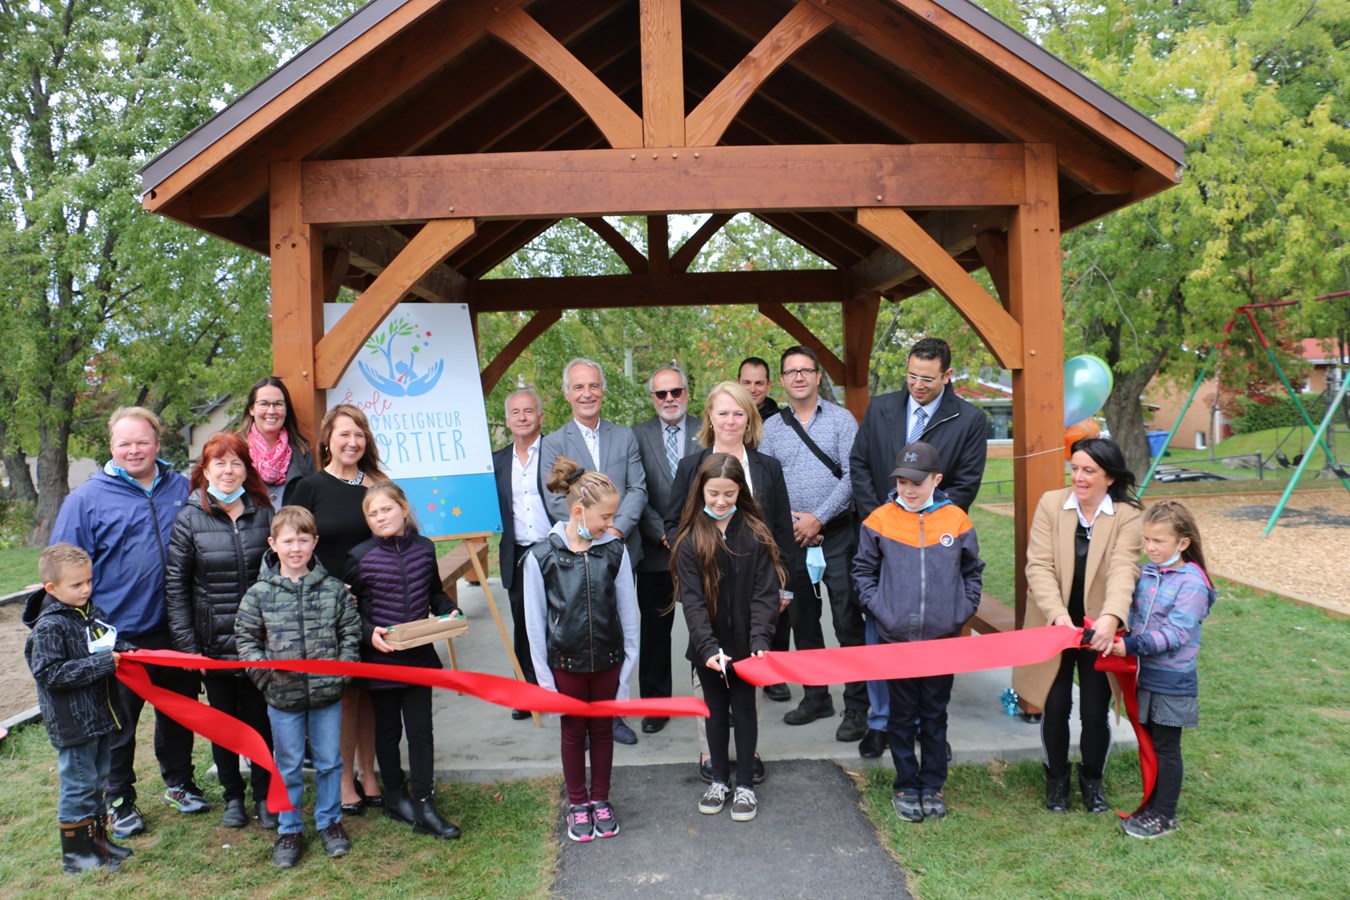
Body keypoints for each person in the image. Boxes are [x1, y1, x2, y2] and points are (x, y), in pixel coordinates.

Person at [49, 406, 198, 839]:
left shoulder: (182, 488)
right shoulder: (86, 500)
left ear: (158, 442)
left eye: (142, 441)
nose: (134, 450)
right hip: (115, 636)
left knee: (178, 712)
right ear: (111, 447)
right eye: (124, 443)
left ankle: (180, 782)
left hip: (175, 628)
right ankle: (120, 800)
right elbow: (63, 567)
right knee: (118, 724)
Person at [849, 337, 989, 758]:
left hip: (935, 548)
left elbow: (965, 482)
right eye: (911, 375)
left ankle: (928, 727)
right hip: (884, 541)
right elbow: (859, 465)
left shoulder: (969, 419)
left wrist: (924, 524)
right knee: (880, 635)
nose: (917, 385)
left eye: (927, 378)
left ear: (947, 375)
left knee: (930, 650)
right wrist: (886, 521)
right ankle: (882, 722)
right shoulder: (882, 408)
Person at [664, 381, 796, 782]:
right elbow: (673, 521)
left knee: (749, 669)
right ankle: (710, 753)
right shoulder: (691, 467)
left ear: (750, 418)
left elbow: (781, 533)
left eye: (739, 413)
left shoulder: (767, 467)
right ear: (710, 417)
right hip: (704, 587)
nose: (731, 420)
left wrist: (782, 587)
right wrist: (688, 561)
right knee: (707, 671)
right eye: (723, 412)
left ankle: (749, 749)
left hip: (756, 588)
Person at [853, 443, 984, 823]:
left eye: (917, 482)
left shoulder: (956, 520)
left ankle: (933, 784)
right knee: (901, 714)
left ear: (936, 480)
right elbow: (863, 572)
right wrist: (882, 611)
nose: (908, 489)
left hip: (942, 639)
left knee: (935, 714)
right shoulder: (879, 520)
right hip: (897, 638)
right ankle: (906, 785)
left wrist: (961, 609)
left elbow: (972, 570)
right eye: (901, 481)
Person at [1013, 437, 1143, 814]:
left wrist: (1111, 618)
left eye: (1089, 471)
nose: (1079, 477)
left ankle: (1092, 782)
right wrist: (1057, 617)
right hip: (1053, 623)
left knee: (1093, 711)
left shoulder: (1128, 515)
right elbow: (1038, 565)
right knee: (1053, 707)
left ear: (1109, 477)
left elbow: (1124, 569)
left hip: (1098, 630)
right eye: (1075, 468)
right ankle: (1056, 781)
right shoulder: (1051, 504)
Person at [236, 506, 363, 867]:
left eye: (303, 540)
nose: (296, 548)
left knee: (329, 762)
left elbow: (350, 633)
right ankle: (289, 829)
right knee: (288, 765)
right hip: (282, 698)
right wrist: (265, 678)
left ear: (314, 543)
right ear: (273, 544)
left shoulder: (333, 590)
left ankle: (330, 822)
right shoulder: (259, 594)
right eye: (288, 541)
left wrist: (343, 674)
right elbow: (246, 640)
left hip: (327, 694)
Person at [165, 431, 277, 829]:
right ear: (205, 470)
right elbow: (176, 588)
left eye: (236, 463)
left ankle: (265, 795)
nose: (228, 471)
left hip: (258, 643)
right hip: (213, 645)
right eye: (220, 464)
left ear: (247, 470)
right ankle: (233, 796)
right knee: (224, 722)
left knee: (262, 721)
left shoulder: (264, 513)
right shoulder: (189, 518)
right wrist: (188, 648)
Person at [523, 458, 638, 843]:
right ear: (578, 511)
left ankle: (600, 800)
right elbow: (534, 626)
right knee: (573, 732)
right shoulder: (541, 558)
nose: (610, 523)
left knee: (603, 730)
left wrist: (625, 677)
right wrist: (544, 682)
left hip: (607, 662)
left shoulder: (615, 553)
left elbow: (629, 616)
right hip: (565, 667)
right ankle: (577, 803)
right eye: (605, 516)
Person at [759, 346, 867, 741]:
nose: (799, 377)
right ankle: (816, 695)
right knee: (803, 621)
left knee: (847, 619)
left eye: (806, 370)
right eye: (791, 372)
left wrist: (819, 518)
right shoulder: (771, 427)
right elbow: (767, 483)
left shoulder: (841, 420)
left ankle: (858, 704)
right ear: (782, 381)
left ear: (819, 376)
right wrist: (794, 524)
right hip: (793, 539)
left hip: (837, 533)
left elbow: (854, 476)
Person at [346, 482, 463, 840]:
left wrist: (450, 610)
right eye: (373, 513)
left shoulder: (425, 549)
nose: (381, 517)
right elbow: (348, 611)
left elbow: (433, 593)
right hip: (381, 660)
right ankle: (396, 796)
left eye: (387, 509)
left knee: (420, 731)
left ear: (403, 508)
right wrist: (369, 634)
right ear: (367, 521)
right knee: (387, 730)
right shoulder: (358, 557)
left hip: (420, 659)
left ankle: (425, 801)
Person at [540, 358, 647, 746]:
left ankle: (615, 713)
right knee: (579, 635)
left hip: (619, 548)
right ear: (567, 393)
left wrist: (614, 530)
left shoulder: (625, 437)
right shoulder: (553, 442)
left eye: (594, 386)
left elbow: (637, 487)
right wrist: (586, 534)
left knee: (619, 632)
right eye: (578, 387)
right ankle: (579, 720)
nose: (587, 394)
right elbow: (553, 498)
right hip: (573, 556)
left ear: (603, 389)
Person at [286, 404, 388, 815]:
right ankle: (344, 778)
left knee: (371, 694)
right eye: (344, 434)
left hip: (376, 601)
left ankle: (369, 772)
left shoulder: (377, 485)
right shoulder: (308, 487)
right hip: (328, 605)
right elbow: (292, 547)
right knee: (345, 695)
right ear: (327, 440)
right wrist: (327, 586)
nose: (352, 442)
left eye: (359, 434)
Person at [673, 454, 784, 824]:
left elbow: (765, 594)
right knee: (715, 713)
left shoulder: (755, 534)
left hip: (748, 648)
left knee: (746, 710)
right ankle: (719, 780)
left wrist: (760, 640)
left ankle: (747, 785)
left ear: (742, 492)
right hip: (708, 650)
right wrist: (706, 648)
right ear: (700, 491)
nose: (721, 501)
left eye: (730, 494)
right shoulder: (690, 539)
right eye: (714, 493)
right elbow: (691, 601)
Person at [1109, 500, 1216, 839]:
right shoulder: (1150, 572)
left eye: (1159, 541)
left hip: (1175, 680)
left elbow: (1176, 633)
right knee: (1151, 743)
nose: (1151, 548)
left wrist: (1131, 646)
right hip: (1145, 675)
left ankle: (1165, 816)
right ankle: (1152, 807)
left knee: (1167, 747)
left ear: (1183, 543)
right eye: (1147, 540)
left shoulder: (1193, 583)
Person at [24, 543, 133, 874]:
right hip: (74, 724)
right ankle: (75, 855)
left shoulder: (88, 611)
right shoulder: (49, 627)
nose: (86, 588)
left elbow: (107, 641)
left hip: (100, 716)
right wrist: (102, 665)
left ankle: (98, 842)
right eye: (77, 584)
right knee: (78, 787)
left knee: (98, 781)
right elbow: (49, 674)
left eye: (88, 581)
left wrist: (129, 651)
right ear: (52, 588)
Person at [631, 365, 700, 734]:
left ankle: (707, 698)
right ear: (652, 398)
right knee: (655, 632)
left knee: (706, 627)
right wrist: (665, 533)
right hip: (656, 552)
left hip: (702, 547)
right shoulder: (636, 436)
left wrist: (692, 533)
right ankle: (656, 705)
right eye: (662, 394)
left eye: (676, 392)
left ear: (687, 393)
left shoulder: (707, 429)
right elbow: (635, 491)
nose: (669, 399)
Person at [492, 387, 550, 720]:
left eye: (529, 411)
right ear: (507, 420)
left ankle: (557, 688)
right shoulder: (498, 461)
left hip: (554, 549)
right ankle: (527, 691)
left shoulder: (556, 453)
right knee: (523, 626)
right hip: (517, 552)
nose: (522, 417)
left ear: (540, 416)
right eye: (516, 412)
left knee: (558, 622)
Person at [236, 376, 315, 510]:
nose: (271, 411)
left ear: (286, 409)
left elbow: (312, 501)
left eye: (278, 404)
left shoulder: (302, 451)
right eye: (264, 404)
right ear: (251, 409)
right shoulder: (235, 449)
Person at [737, 356, 781, 424]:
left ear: (768, 385)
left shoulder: (782, 421)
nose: (752, 390)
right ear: (737, 384)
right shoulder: (723, 417)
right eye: (747, 383)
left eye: (759, 383)